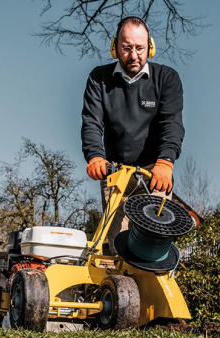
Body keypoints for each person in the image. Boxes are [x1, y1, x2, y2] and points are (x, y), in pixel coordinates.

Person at [81, 16, 185, 253]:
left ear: (150, 47)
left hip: (154, 172)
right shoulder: (99, 78)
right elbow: (91, 121)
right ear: (114, 47)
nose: (134, 55)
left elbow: (172, 123)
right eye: (127, 47)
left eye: (139, 48)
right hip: (115, 171)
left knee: (154, 239)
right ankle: (116, 287)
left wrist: (166, 161)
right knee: (113, 242)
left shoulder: (167, 79)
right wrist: (95, 156)